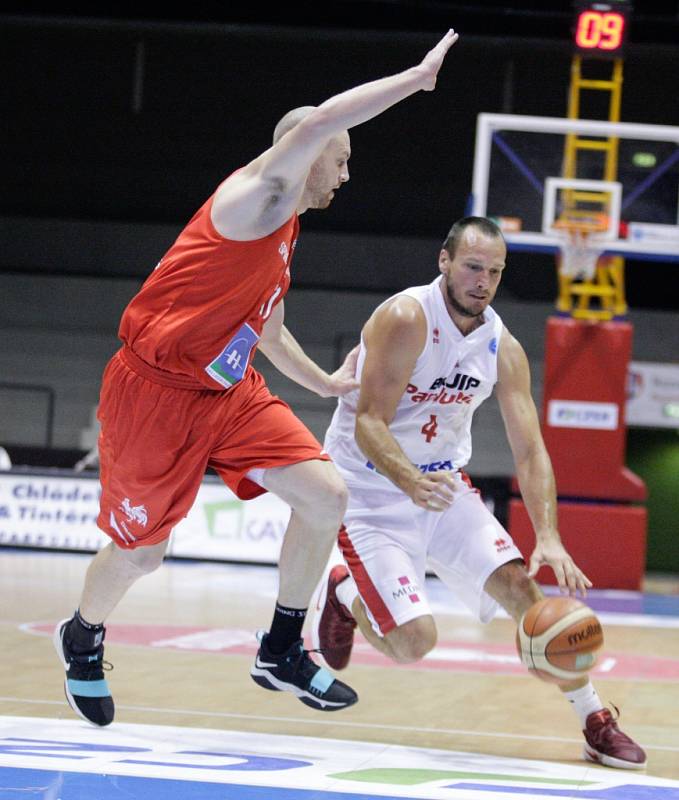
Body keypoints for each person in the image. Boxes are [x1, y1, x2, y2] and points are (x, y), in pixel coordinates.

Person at [52, 29, 460, 726]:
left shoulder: (286, 230)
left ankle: (279, 649)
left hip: (228, 394)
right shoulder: (257, 197)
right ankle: (82, 636)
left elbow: (264, 331)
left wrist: (325, 384)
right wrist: (415, 80)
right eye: (341, 160)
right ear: (306, 153)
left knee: (325, 496)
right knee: (143, 553)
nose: (346, 174)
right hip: (155, 394)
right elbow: (325, 118)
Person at [311, 217, 647, 769]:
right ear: (444, 261)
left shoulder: (501, 346)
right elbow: (369, 421)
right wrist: (407, 480)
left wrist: (550, 536)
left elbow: (531, 448)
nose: (483, 281)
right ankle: (343, 593)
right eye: (472, 266)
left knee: (526, 592)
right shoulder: (406, 318)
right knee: (412, 645)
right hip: (371, 491)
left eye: (494, 271)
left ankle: (593, 719)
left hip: (444, 485)